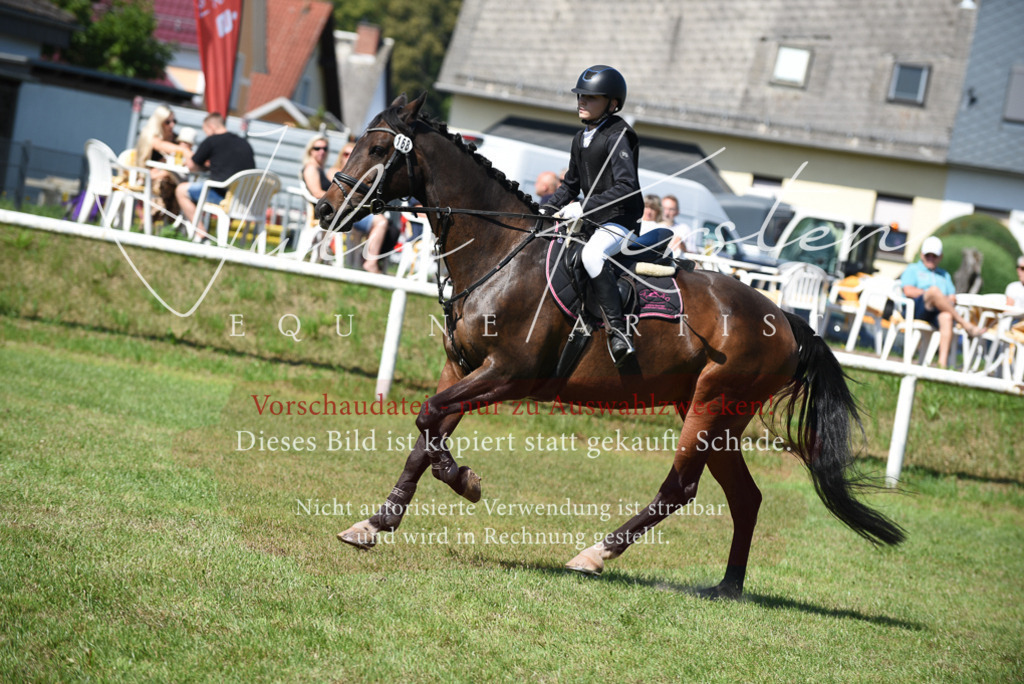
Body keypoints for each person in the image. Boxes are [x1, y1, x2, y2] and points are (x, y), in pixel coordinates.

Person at [540, 65, 644, 366]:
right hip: (592, 220)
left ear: (612, 103)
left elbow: (627, 186)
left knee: (592, 257)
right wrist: (544, 210)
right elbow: (570, 184)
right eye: (580, 96)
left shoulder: (619, 134)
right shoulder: (580, 137)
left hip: (619, 222)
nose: (581, 102)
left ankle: (619, 332)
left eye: (591, 98)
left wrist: (585, 207)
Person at [900, 236, 983, 368]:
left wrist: (940, 299)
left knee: (947, 316)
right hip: (916, 309)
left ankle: (942, 364)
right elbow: (908, 291)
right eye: (928, 255)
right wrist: (930, 294)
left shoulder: (944, 275)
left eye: (934, 256)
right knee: (933, 291)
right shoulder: (913, 269)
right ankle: (965, 324)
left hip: (937, 312)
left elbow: (952, 297)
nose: (931, 258)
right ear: (922, 255)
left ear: (940, 257)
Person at [175, 113, 256, 242]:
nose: (206, 134)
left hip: (222, 196)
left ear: (211, 127)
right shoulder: (245, 143)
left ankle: (201, 235)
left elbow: (192, 166)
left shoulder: (212, 140)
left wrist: (189, 155)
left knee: (181, 190)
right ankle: (217, 238)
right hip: (244, 199)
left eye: (205, 130)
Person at [134, 105, 192, 221]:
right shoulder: (150, 136)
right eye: (167, 122)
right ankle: (155, 221)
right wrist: (185, 151)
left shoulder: (174, 138)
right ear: (159, 122)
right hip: (147, 177)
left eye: (174, 121)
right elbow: (160, 145)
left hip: (167, 176)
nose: (172, 125)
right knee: (167, 182)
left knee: (180, 186)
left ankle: (170, 224)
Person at [302, 135, 331, 199]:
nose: (322, 152)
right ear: (310, 150)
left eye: (325, 149)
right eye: (317, 148)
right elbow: (317, 193)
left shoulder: (319, 168)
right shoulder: (311, 168)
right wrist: (338, 196)